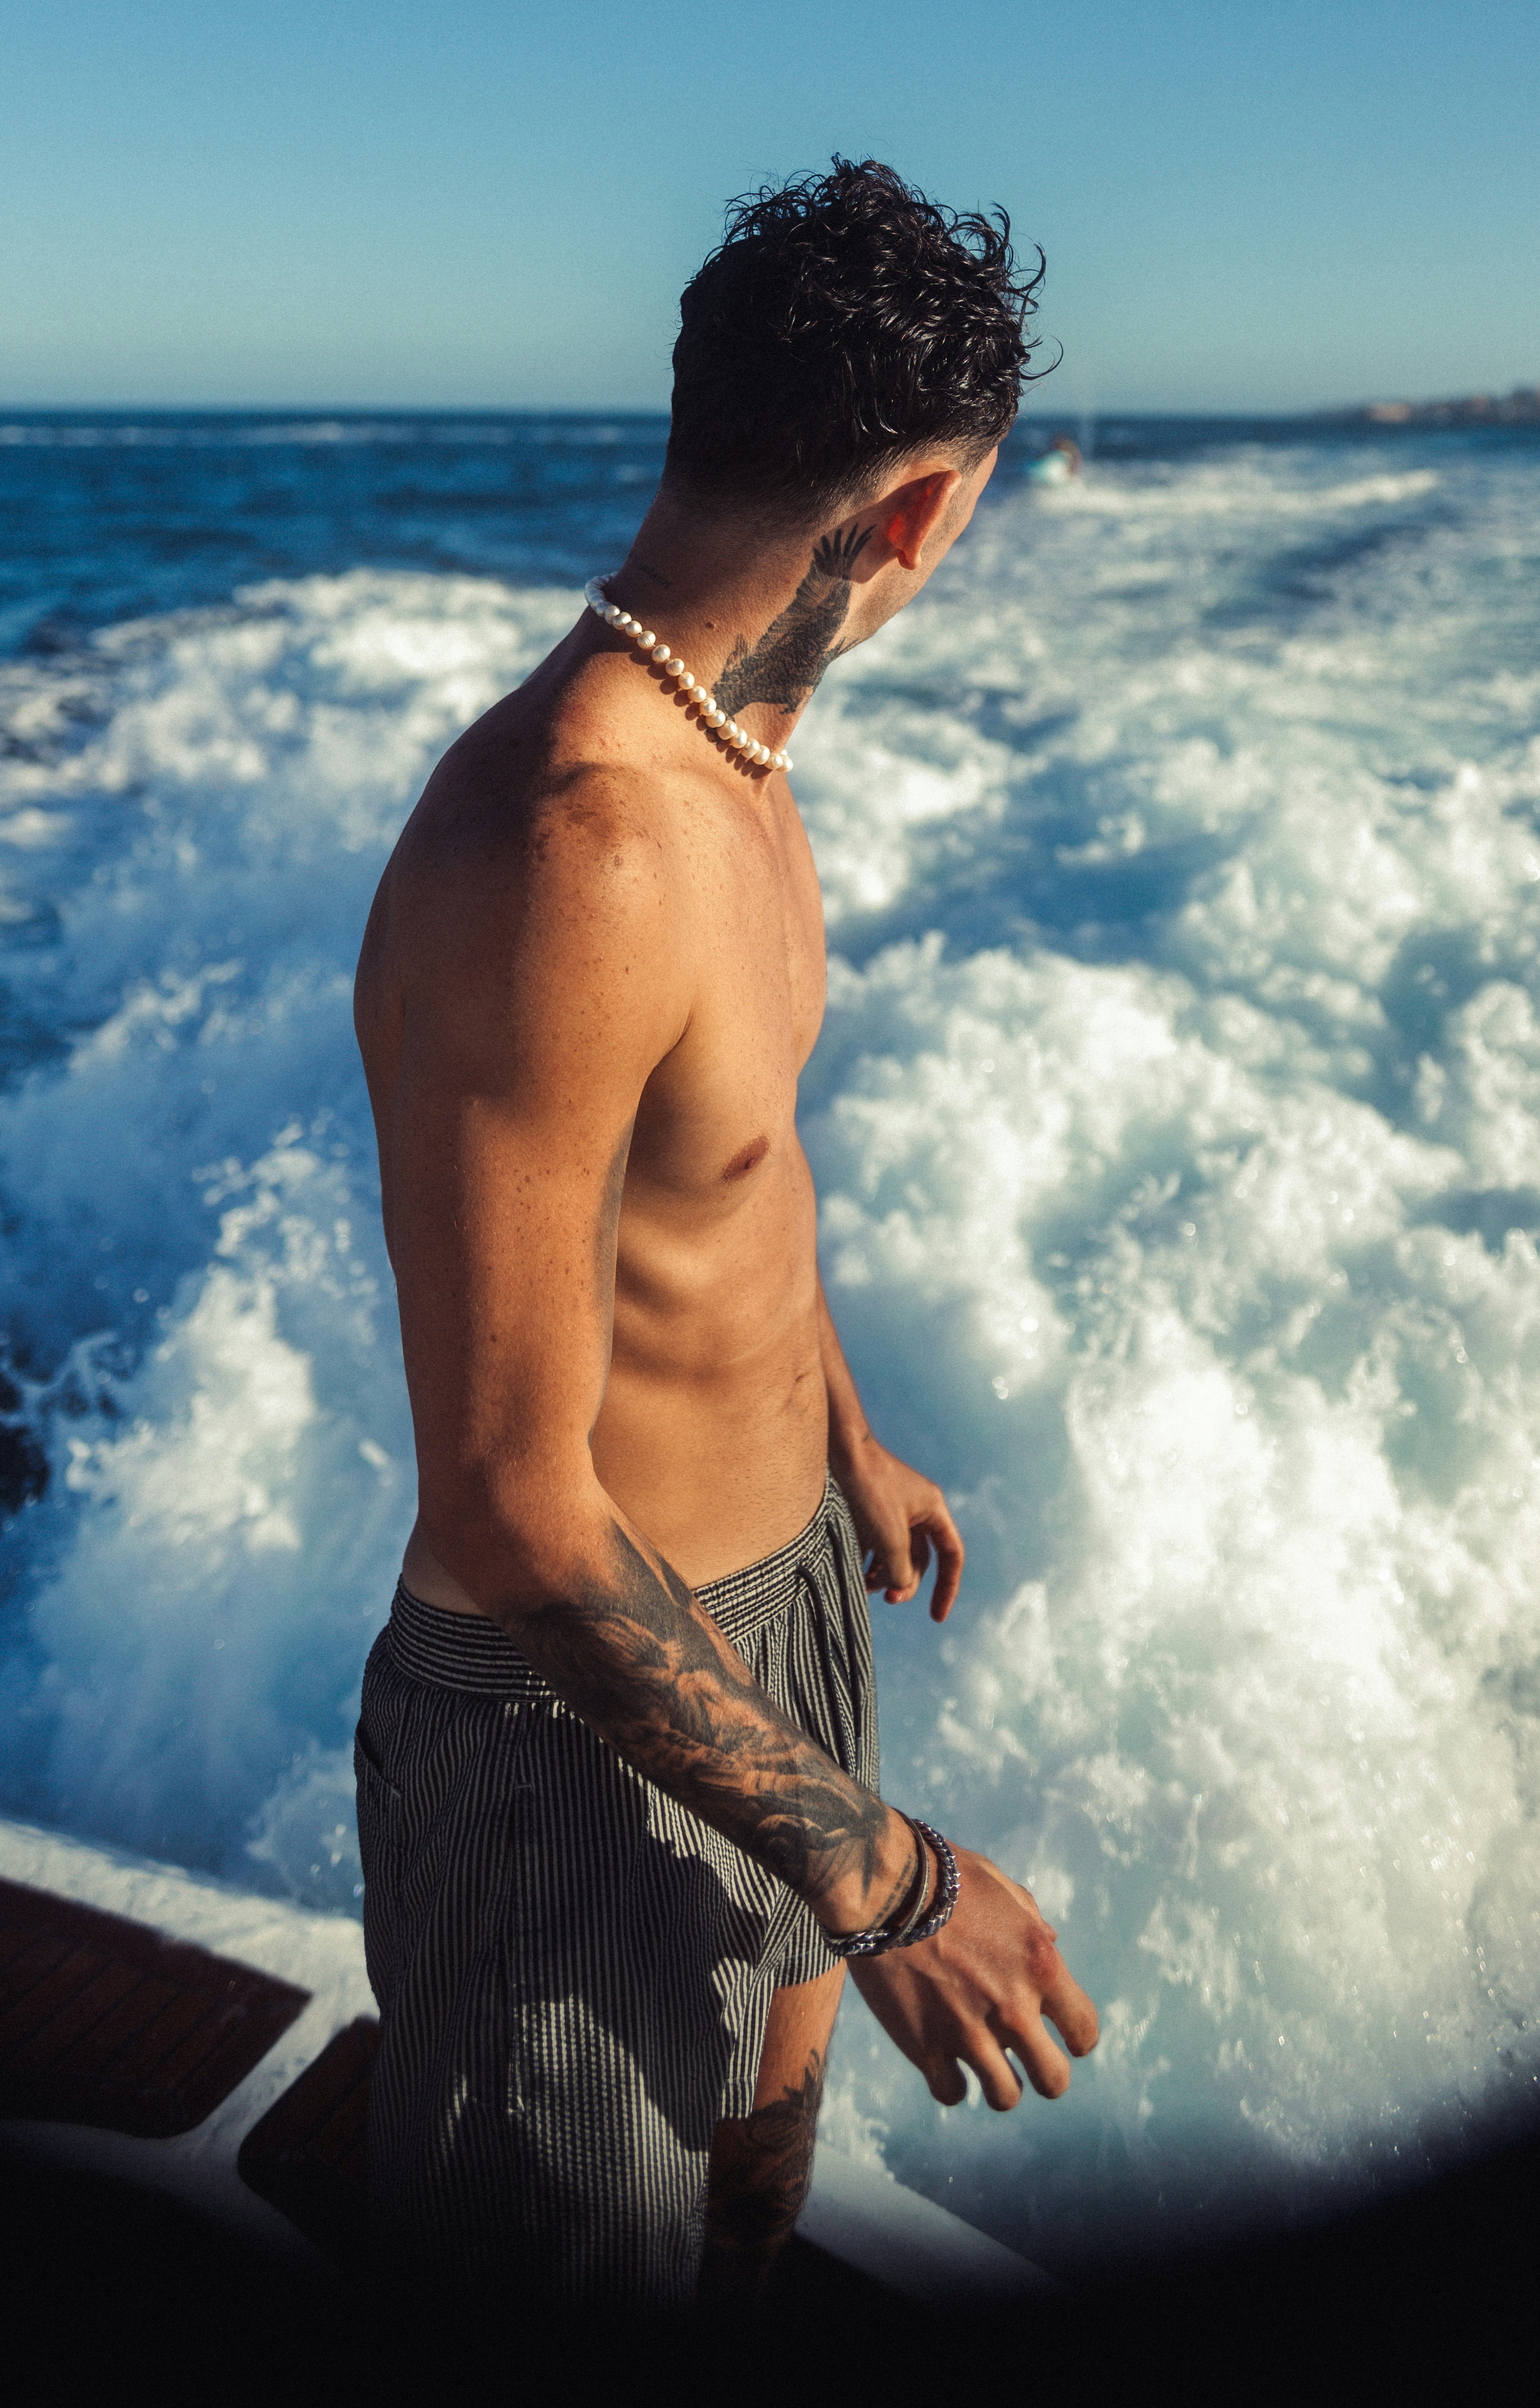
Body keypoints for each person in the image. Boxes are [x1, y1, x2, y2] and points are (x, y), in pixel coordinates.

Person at [351, 157, 1099, 2309]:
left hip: (777, 1602)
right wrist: (890, 1878)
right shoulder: (572, 845)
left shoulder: (742, 754)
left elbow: (730, 1158)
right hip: (573, 1708)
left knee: (757, 2163)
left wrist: (836, 1422)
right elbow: (503, 1508)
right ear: (918, 516)